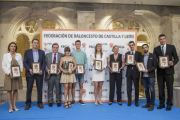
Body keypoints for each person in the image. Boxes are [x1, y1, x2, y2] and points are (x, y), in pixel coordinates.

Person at [153, 34, 179, 111]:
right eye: (161, 39)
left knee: (169, 88)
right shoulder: (156, 49)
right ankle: (161, 103)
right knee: (161, 88)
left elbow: (176, 58)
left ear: (166, 39)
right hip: (160, 72)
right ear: (159, 40)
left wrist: (173, 63)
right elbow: (154, 60)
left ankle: (169, 104)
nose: (162, 40)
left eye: (163, 39)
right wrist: (158, 64)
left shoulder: (172, 47)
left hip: (169, 71)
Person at [23, 39, 45, 110]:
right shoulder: (27, 52)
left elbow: (44, 63)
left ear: (38, 44)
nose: (36, 44)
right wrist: (29, 69)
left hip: (39, 73)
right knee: (29, 89)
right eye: (34, 43)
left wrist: (41, 70)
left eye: (37, 43)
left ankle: (39, 103)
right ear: (32, 43)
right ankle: (28, 104)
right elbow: (25, 63)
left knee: (39, 89)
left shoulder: (42, 52)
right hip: (30, 73)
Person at [2, 42, 23, 113]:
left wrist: (20, 72)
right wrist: (9, 73)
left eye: (14, 46)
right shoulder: (5, 55)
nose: (13, 47)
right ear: (9, 47)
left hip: (17, 75)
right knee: (9, 90)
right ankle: (10, 106)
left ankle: (14, 105)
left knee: (16, 90)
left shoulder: (19, 55)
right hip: (9, 75)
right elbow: (3, 66)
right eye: (11, 46)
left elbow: (21, 64)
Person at [45, 43, 64, 107]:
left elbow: (64, 65)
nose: (55, 49)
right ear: (52, 48)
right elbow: (44, 64)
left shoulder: (62, 55)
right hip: (50, 74)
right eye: (54, 47)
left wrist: (60, 70)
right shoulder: (47, 55)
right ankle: (50, 101)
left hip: (58, 75)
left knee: (58, 89)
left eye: (56, 47)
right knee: (50, 89)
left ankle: (58, 101)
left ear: (58, 48)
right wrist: (47, 69)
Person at [70, 40, 88, 105]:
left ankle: (80, 99)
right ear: (75, 45)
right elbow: (71, 63)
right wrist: (74, 69)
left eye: (79, 44)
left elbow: (86, 62)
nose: (78, 45)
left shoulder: (83, 53)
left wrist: (85, 69)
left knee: (81, 85)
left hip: (81, 72)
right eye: (76, 44)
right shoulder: (72, 53)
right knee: (73, 85)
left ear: (80, 45)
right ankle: (73, 100)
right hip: (74, 72)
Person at [125, 41, 142, 107]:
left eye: (132, 45)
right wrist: (126, 63)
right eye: (130, 45)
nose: (131, 46)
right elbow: (126, 63)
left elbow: (141, 63)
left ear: (134, 45)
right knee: (129, 88)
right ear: (129, 46)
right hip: (129, 73)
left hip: (136, 73)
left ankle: (136, 102)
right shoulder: (127, 53)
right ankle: (129, 101)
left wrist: (136, 63)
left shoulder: (139, 53)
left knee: (136, 88)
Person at [141, 44, 157, 111]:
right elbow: (140, 65)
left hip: (151, 76)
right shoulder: (141, 57)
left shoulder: (153, 55)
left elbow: (155, 66)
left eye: (146, 47)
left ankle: (152, 104)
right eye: (143, 48)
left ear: (148, 48)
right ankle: (148, 103)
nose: (145, 49)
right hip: (144, 76)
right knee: (146, 90)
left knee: (152, 90)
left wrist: (148, 70)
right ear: (142, 49)